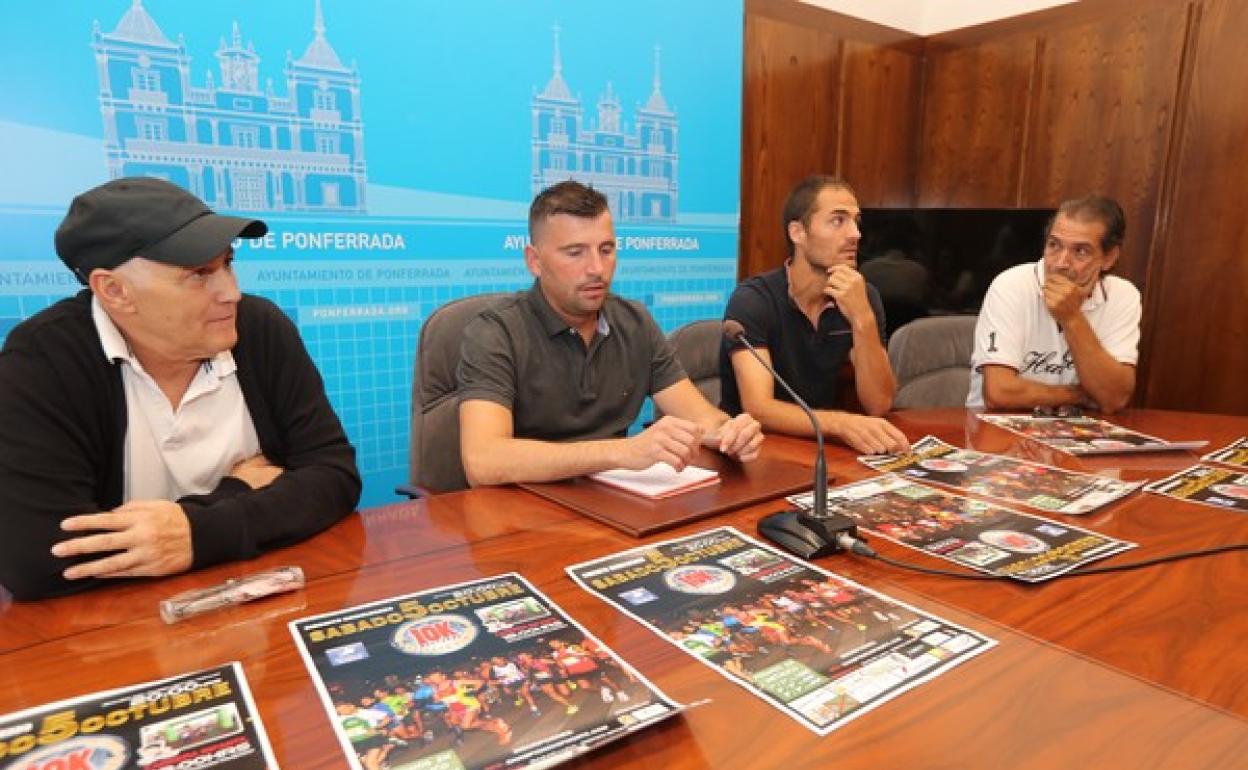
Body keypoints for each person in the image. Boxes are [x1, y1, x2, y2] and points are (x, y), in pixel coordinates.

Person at [0, 177, 360, 601]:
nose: (231, 292)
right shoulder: (42, 363)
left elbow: (334, 477)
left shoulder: (259, 328)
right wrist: (239, 493)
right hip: (117, 633)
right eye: (198, 274)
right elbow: (44, 560)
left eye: (228, 263)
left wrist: (192, 533)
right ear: (114, 291)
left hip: (262, 601)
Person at [457, 180, 763, 486]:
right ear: (534, 261)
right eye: (575, 253)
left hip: (614, 505)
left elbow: (700, 416)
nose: (597, 268)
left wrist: (731, 432)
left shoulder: (635, 322)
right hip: (524, 509)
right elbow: (483, 461)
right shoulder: (495, 332)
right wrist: (622, 451)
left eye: (606, 250)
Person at [720, 176, 908, 455]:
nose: (855, 234)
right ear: (798, 233)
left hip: (818, 448)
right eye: (838, 220)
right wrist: (841, 423)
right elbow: (759, 407)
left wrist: (863, 319)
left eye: (856, 221)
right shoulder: (754, 300)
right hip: (755, 452)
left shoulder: (862, 297)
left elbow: (878, 404)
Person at [966, 195, 1140, 413]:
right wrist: (1078, 395)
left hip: (1079, 434)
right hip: (997, 430)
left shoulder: (1123, 295)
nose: (1060, 263)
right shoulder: (1011, 285)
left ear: (1109, 258)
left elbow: (1113, 399)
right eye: (1054, 245)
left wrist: (1072, 317)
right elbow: (999, 392)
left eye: (1080, 251)